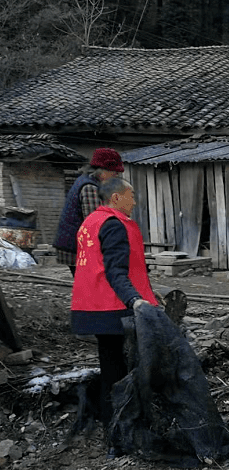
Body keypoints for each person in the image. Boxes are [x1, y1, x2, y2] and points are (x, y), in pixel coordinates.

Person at [71, 177, 159, 429]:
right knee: (119, 368)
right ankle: (121, 426)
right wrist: (134, 299)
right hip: (112, 306)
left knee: (109, 363)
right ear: (116, 198)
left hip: (93, 305)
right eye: (130, 195)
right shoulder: (114, 225)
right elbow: (115, 271)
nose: (134, 201)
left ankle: (113, 422)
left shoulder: (90, 222)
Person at [54, 148, 125, 275]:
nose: (116, 176)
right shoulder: (90, 187)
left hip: (75, 245)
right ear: (102, 170)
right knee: (92, 287)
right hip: (76, 248)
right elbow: (96, 223)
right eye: (114, 172)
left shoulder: (85, 180)